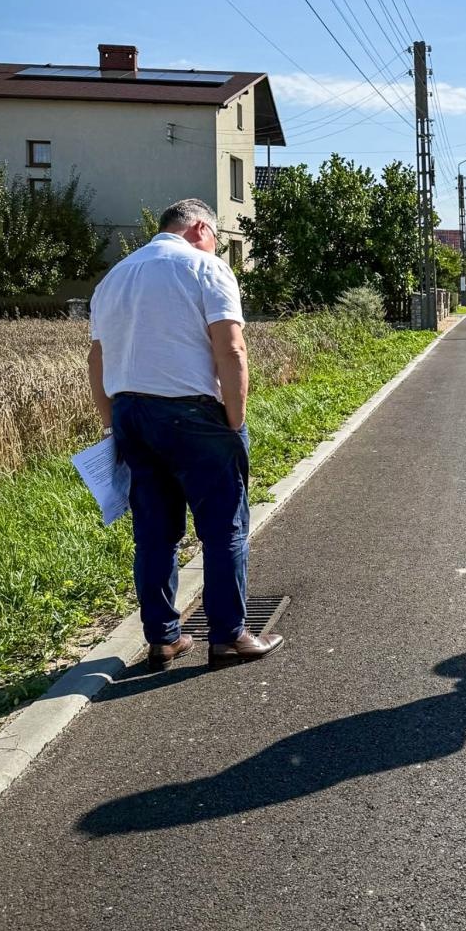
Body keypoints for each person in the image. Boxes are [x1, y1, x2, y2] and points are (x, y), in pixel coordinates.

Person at [87, 198, 283, 670]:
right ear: (200, 228)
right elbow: (230, 348)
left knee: (154, 534)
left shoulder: (114, 277)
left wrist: (113, 423)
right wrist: (234, 421)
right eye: (216, 240)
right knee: (224, 528)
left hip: (131, 413)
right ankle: (229, 636)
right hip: (193, 416)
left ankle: (163, 638)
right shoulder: (206, 268)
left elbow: (96, 359)